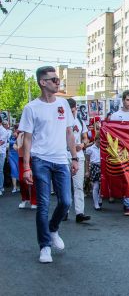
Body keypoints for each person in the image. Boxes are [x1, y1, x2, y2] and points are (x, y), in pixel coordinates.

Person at [18, 66, 79, 263]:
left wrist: (75, 157)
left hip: (61, 160)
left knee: (66, 202)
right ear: (42, 82)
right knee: (43, 204)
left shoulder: (62, 104)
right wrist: (26, 166)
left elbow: (69, 133)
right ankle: (44, 246)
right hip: (40, 160)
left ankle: (53, 229)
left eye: (58, 78)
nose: (57, 81)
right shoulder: (31, 108)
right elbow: (27, 139)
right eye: (53, 79)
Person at [67, 98, 91, 223]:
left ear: (76, 108)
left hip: (79, 155)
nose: (71, 113)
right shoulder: (61, 121)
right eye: (68, 111)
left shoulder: (80, 121)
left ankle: (79, 213)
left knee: (78, 186)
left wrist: (82, 144)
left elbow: (86, 138)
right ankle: (64, 211)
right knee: (65, 186)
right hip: (64, 156)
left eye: (72, 111)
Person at [14, 131, 37, 209]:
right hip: (21, 158)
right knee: (21, 180)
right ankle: (25, 199)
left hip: (32, 158)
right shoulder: (20, 134)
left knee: (32, 180)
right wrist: (16, 146)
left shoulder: (33, 133)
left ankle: (34, 201)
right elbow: (15, 144)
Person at [85, 135, 102, 210]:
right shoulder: (90, 149)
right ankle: (96, 204)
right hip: (94, 167)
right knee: (96, 186)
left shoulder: (103, 147)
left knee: (102, 186)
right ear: (95, 140)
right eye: (98, 141)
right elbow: (87, 161)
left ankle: (99, 198)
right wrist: (87, 171)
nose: (99, 142)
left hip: (102, 167)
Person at [8, 126, 20, 193]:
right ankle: (14, 187)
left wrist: (17, 137)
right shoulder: (11, 136)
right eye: (15, 129)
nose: (16, 130)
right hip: (11, 156)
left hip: (19, 155)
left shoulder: (21, 135)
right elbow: (9, 145)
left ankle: (21, 186)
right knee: (13, 169)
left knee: (19, 170)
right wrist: (8, 155)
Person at [0, 122, 9, 196]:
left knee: (0, 170)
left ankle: (0, 188)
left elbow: (1, 142)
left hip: (1, 153)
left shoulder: (3, 131)